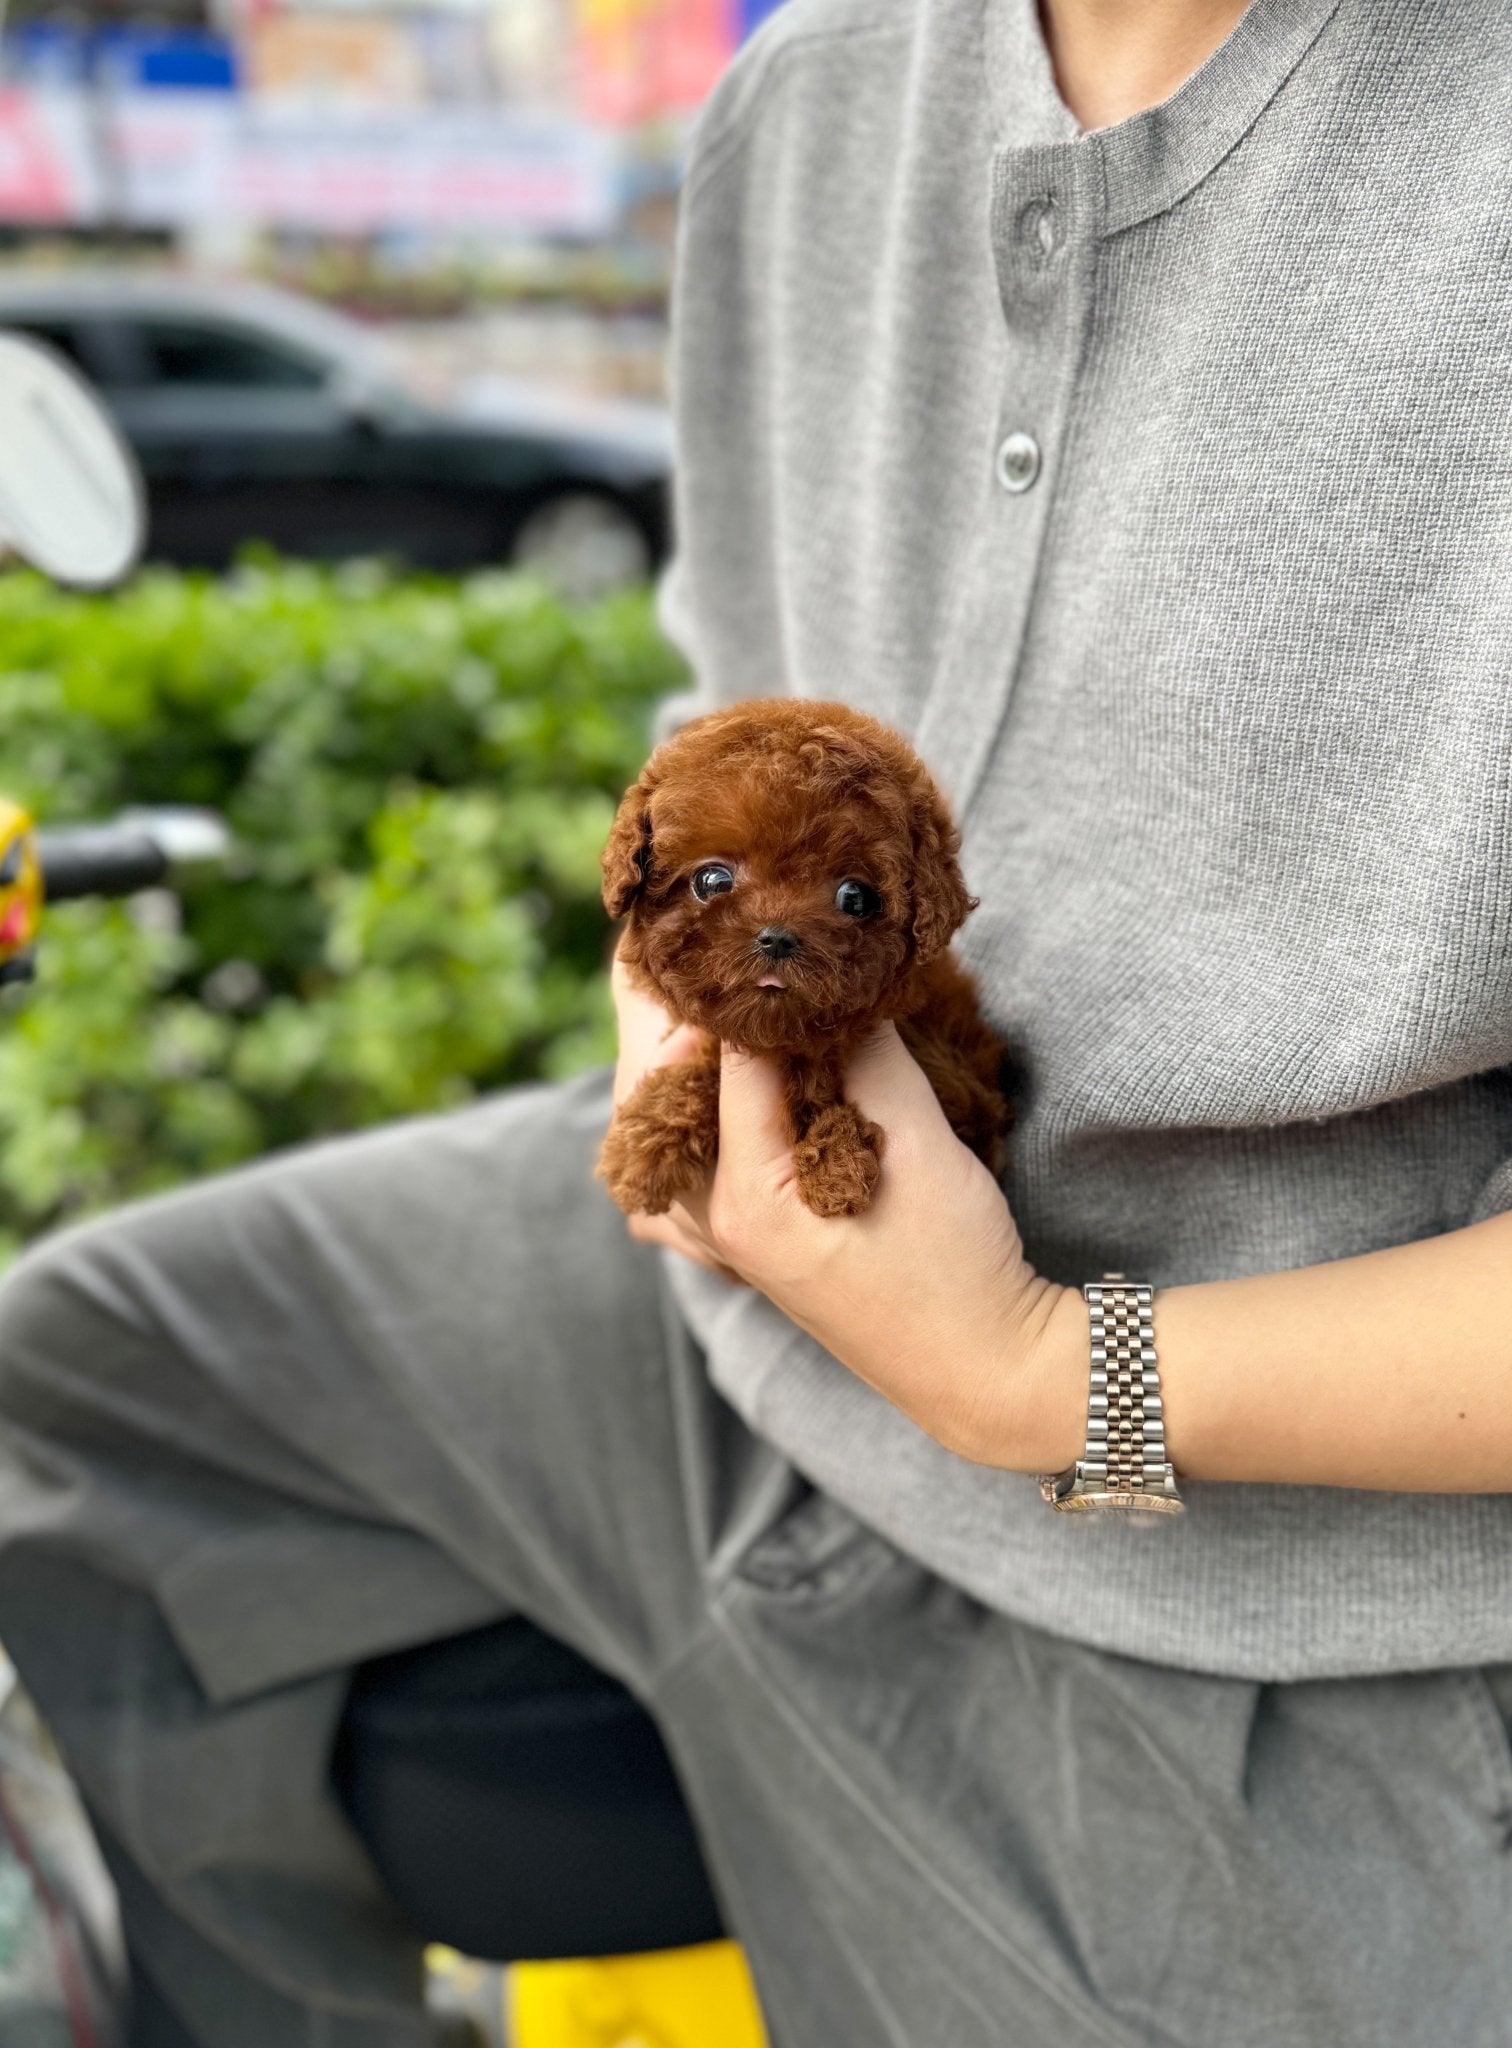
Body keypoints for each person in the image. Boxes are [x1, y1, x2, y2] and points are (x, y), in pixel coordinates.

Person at [3, 0, 1512, 2040]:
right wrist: (674, 1053)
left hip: (1277, 1601)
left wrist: (1038, 1376)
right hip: (695, 1324)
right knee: (84, 1388)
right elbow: (717, 712)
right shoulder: (801, 102)